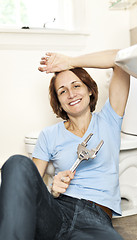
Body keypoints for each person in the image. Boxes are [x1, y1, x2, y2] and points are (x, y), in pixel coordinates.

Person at [0, 50, 130, 240]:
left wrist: (70, 62)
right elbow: (30, 187)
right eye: (62, 91)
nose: (71, 94)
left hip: (95, 219)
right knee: (17, 163)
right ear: (59, 102)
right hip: (56, 212)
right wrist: (53, 190)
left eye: (76, 85)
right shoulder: (49, 135)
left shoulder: (109, 119)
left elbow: (121, 58)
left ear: (90, 90)